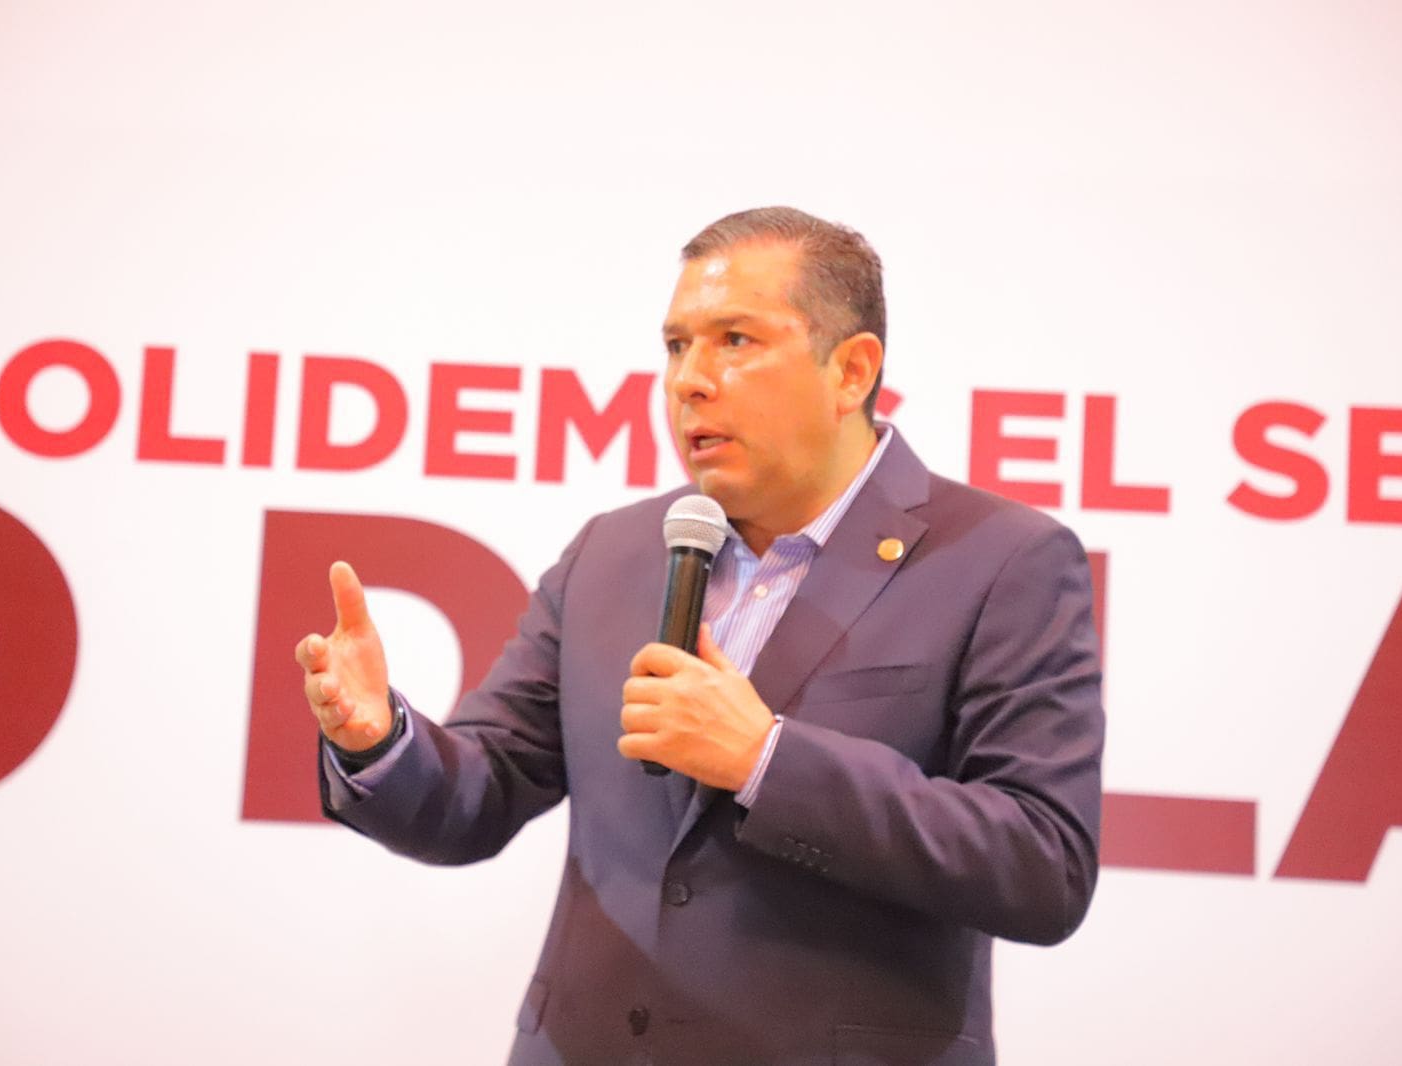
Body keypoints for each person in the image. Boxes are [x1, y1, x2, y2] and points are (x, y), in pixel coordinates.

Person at [296, 207, 1105, 1065]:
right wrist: (378, 740)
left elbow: (1042, 865)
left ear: (851, 370)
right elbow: (480, 791)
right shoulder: (613, 552)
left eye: (735, 341)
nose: (689, 380)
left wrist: (766, 760)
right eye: (677, 346)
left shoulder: (1001, 560)